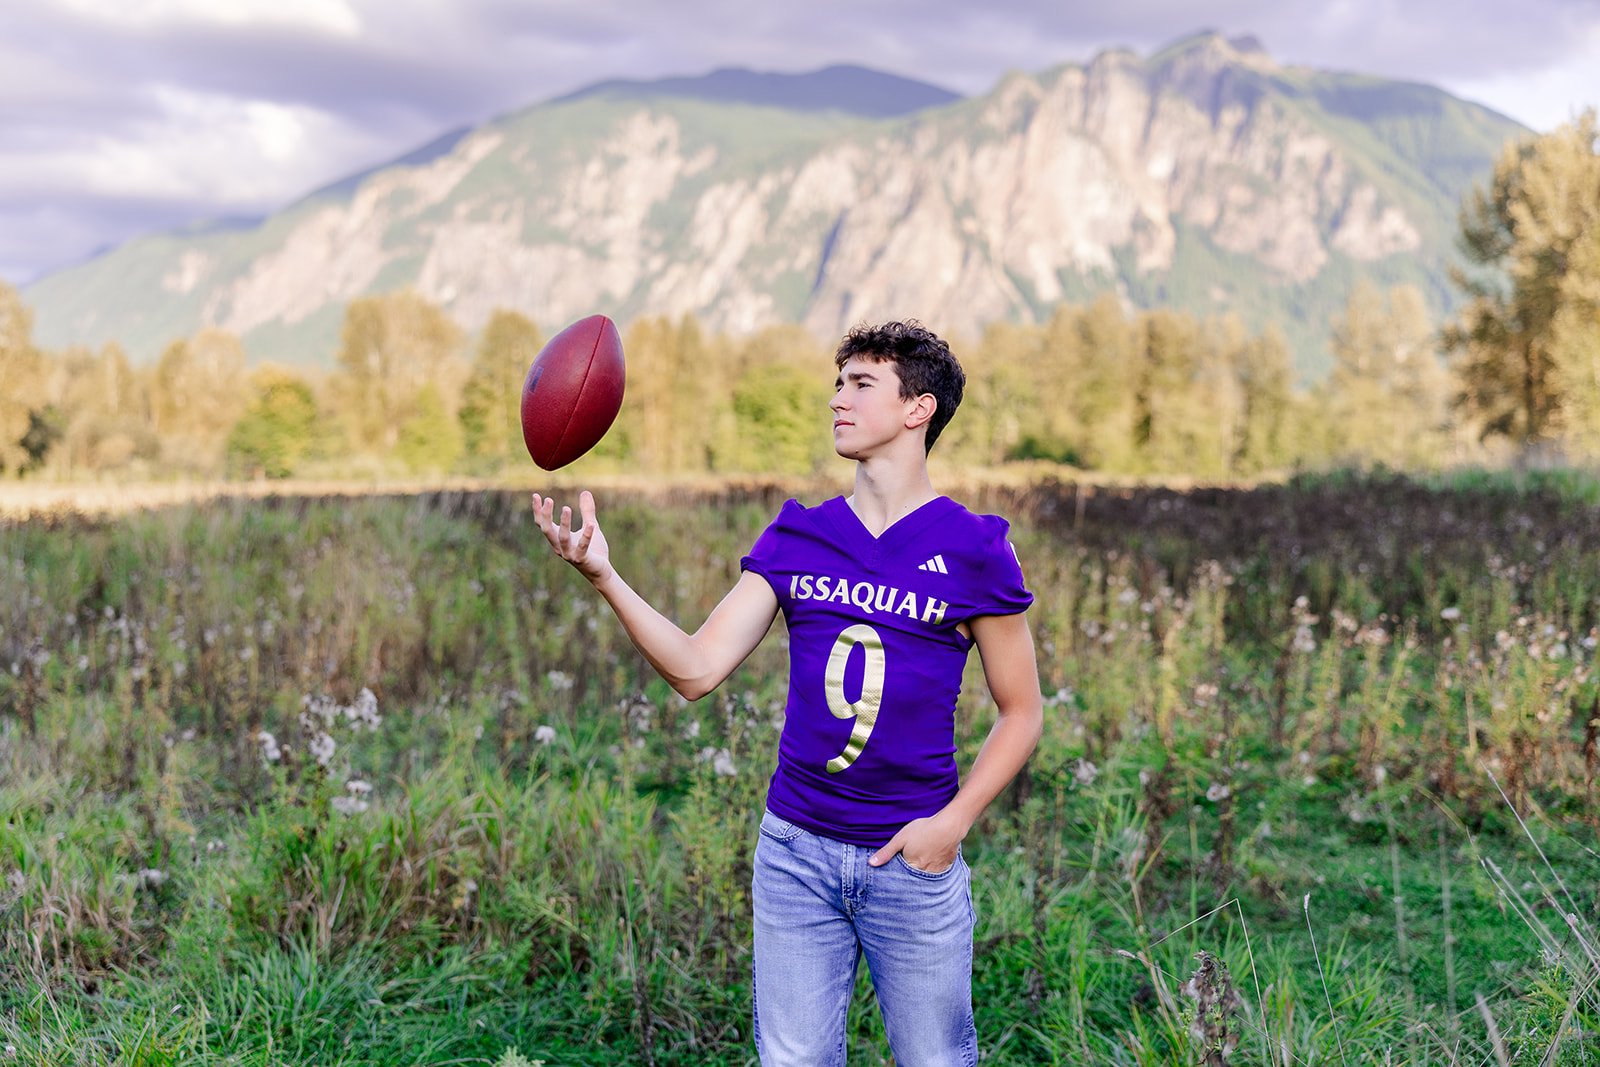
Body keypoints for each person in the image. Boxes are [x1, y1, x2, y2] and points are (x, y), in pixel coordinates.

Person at [533, 320, 1043, 1066]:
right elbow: (697, 668)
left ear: (918, 408)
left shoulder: (974, 546)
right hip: (794, 853)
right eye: (837, 383)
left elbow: (1022, 710)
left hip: (912, 860)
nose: (838, 398)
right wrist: (605, 576)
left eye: (861, 383)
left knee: (937, 1059)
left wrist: (952, 824)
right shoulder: (798, 536)